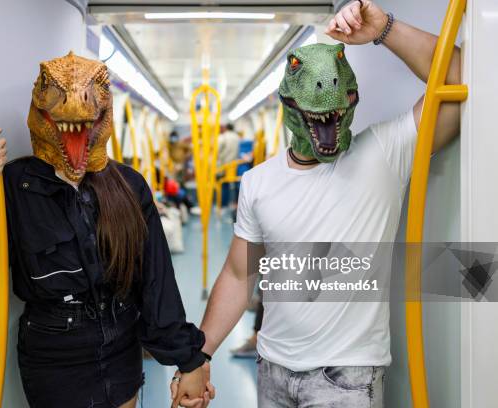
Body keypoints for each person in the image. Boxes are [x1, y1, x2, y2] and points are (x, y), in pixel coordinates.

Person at [171, 1, 461, 406]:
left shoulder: (384, 153)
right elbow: (239, 277)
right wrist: (198, 358)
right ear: (286, 103)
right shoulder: (258, 183)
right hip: (273, 369)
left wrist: (383, 28)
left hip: (348, 377)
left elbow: (462, 78)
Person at [0, 53, 211, 408]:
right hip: (54, 358)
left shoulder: (128, 186)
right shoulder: (14, 185)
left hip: (120, 348)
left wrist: (189, 361)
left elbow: (155, 284)